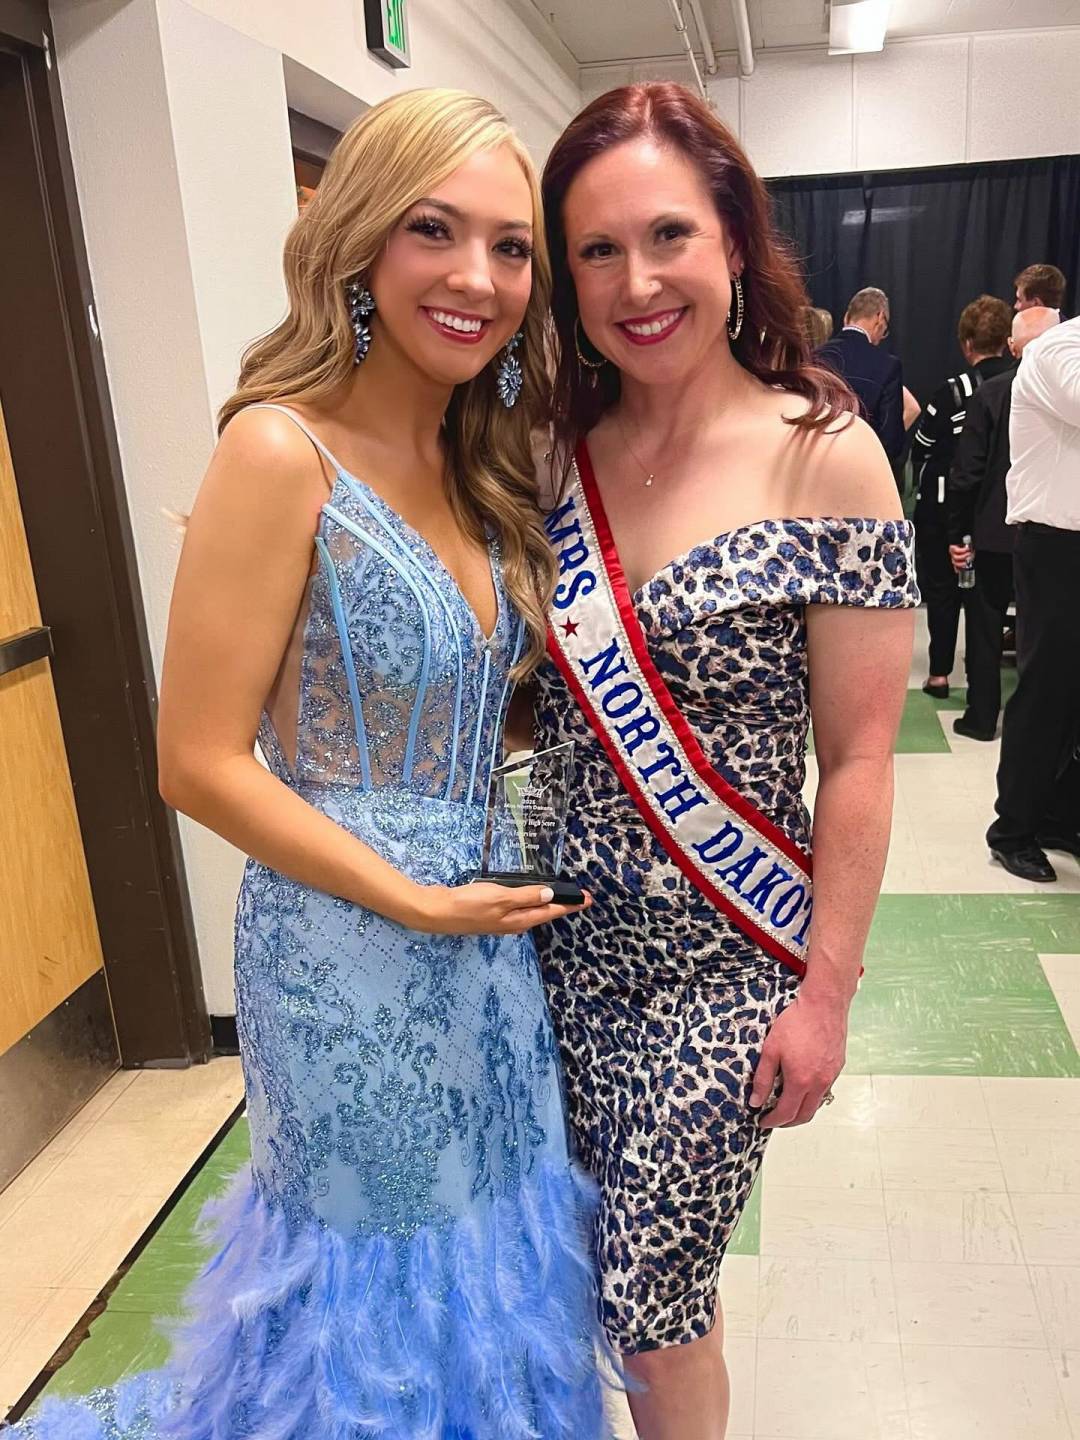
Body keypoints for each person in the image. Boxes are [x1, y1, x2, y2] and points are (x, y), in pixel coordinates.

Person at [8, 90, 611, 1440]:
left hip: (489, 945)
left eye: (512, 247)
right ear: (359, 245)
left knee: (494, 1240)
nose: (477, 277)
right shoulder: (279, 450)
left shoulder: (479, 460)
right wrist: (413, 900)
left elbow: (471, 707)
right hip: (345, 960)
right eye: (434, 230)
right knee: (372, 1281)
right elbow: (195, 760)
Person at [529, 82, 917, 1440]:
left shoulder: (829, 456)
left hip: (724, 968)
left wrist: (826, 996)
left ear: (735, 240)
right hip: (549, 957)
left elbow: (861, 757)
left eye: (669, 236)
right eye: (597, 250)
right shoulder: (547, 458)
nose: (637, 283)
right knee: (557, 1271)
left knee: (652, 1299)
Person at [987, 315, 1080, 882]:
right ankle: (1013, 831)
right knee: (1046, 690)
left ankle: (1060, 817)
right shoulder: (1057, 350)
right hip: (1055, 546)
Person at [946, 307, 1060, 739]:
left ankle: (981, 716)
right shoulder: (1068, 396)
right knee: (1045, 631)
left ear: (1013, 347)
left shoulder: (992, 393)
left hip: (995, 530)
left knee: (985, 624)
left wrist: (958, 534)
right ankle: (1040, 725)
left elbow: (968, 472)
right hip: (1055, 533)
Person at [911, 295, 1014, 699]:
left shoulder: (952, 393)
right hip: (1002, 509)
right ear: (1006, 341)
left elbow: (921, 446)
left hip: (945, 507)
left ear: (967, 344)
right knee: (987, 597)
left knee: (942, 589)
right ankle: (981, 679)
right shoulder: (1022, 386)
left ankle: (939, 673)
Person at [817, 286, 906, 463]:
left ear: (846, 317)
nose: (881, 337)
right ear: (880, 318)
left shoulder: (814, 357)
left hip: (815, 465)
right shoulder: (887, 366)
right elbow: (891, 441)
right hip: (861, 467)